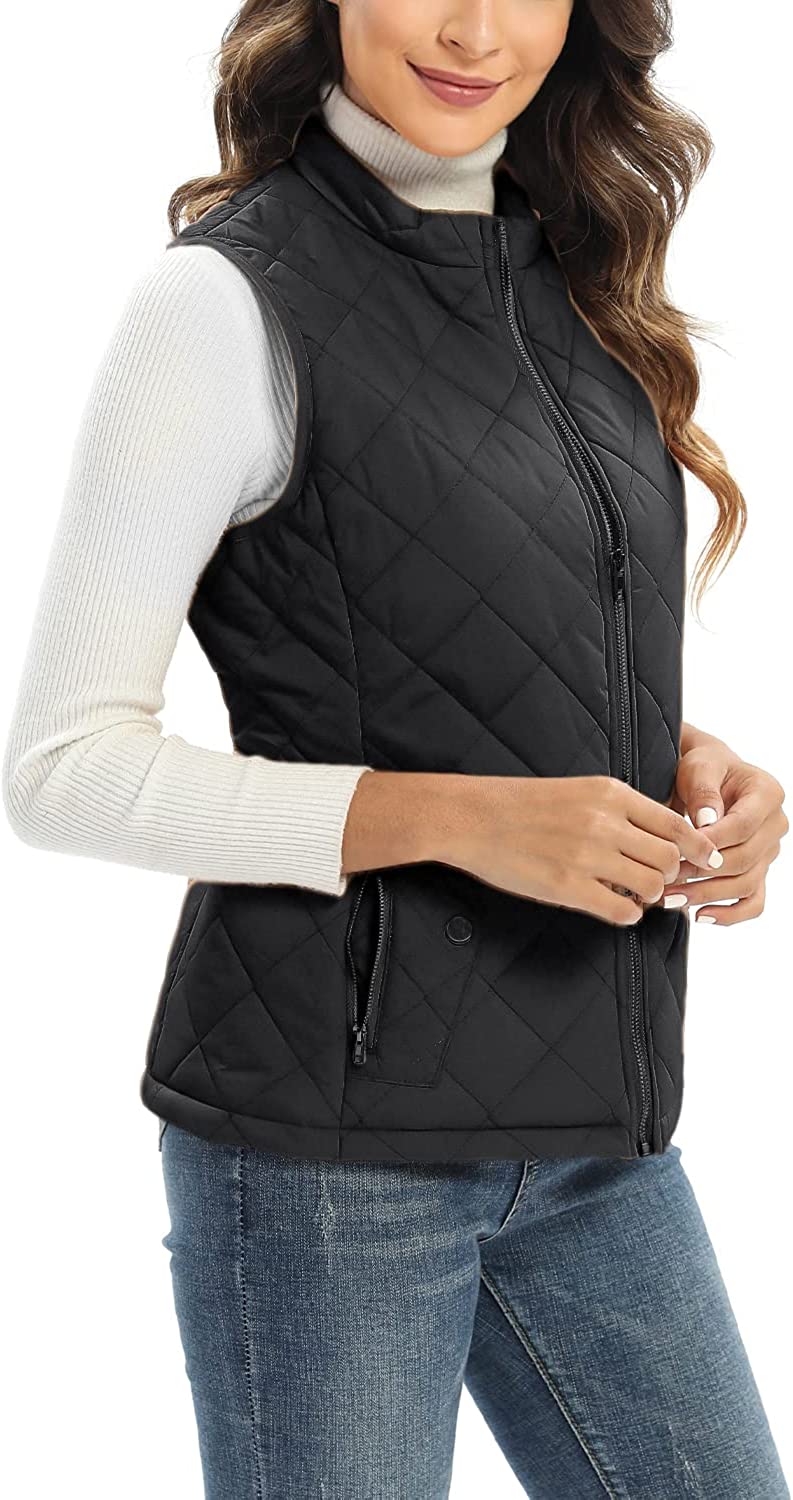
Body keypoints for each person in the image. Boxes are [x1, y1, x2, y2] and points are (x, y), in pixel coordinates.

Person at [3, 2, 789, 1496]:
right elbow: (60, 769)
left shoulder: (571, 277)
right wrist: (466, 821)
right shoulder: (221, 303)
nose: (474, 30)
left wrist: (683, 760)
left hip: (593, 1129)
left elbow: (459, 648)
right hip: (328, 1158)